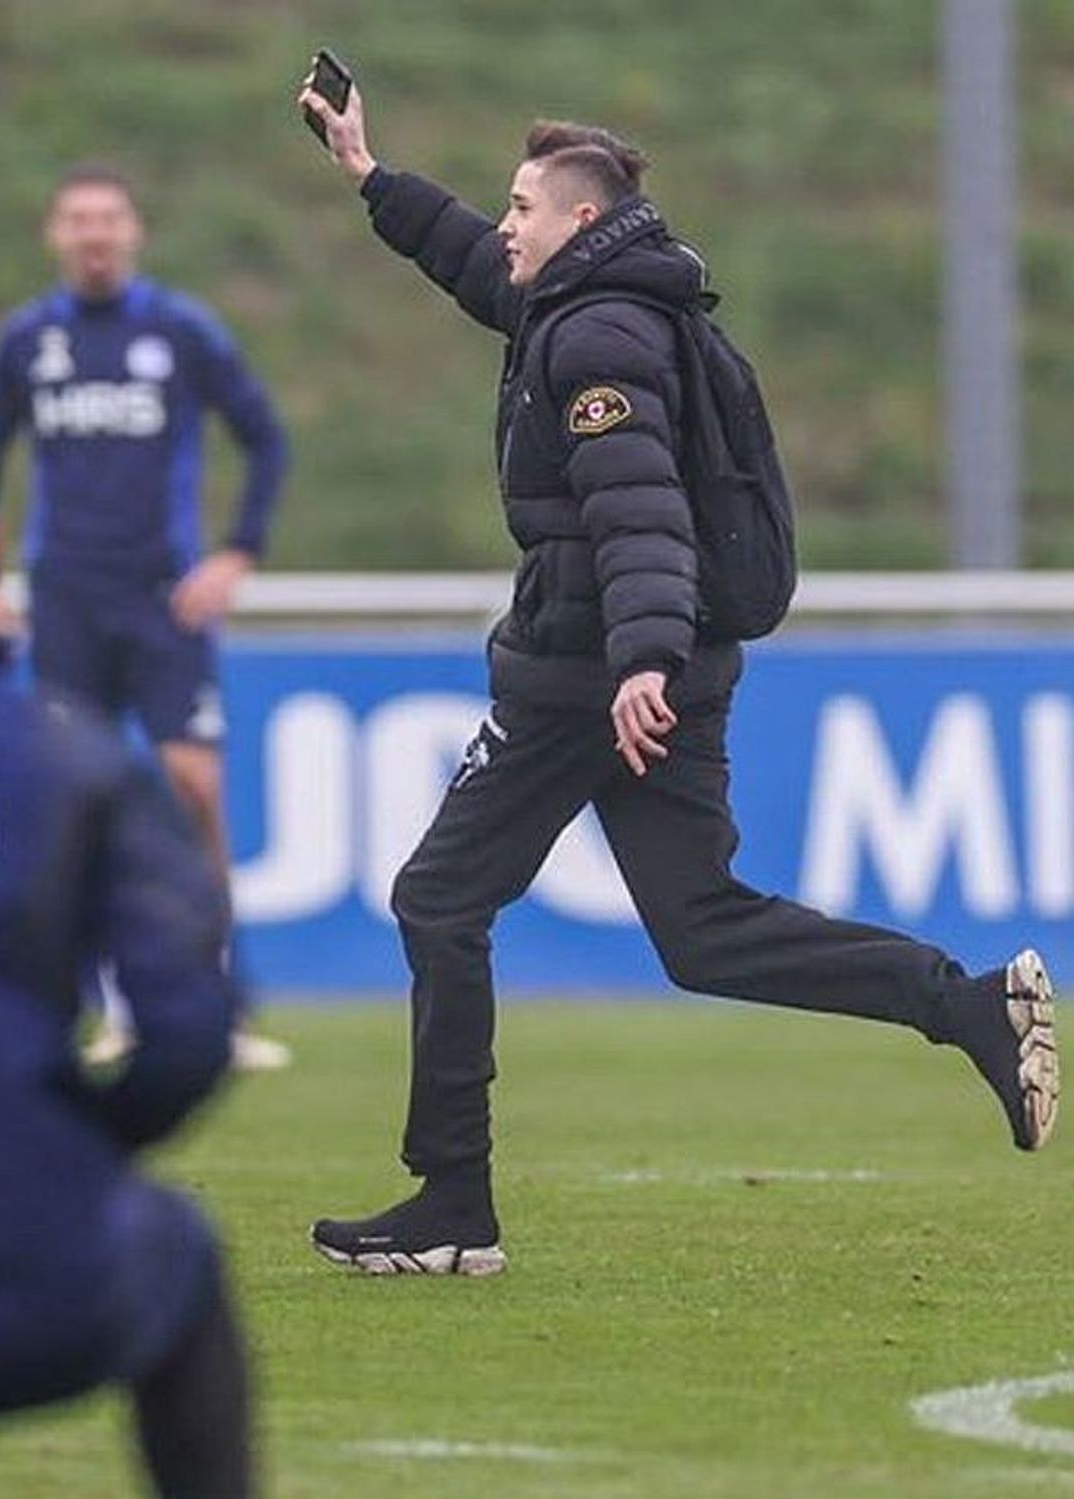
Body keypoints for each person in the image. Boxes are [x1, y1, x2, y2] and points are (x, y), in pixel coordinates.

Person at [297, 73, 1061, 1277]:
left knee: (437, 903)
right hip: (663, 669)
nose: (507, 225)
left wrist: (639, 659)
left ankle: (452, 1202)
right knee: (702, 930)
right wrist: (367, 172)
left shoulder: (596, 338)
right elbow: (477, 270)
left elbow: (637, 509)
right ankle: (965, 1002)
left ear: (584, 226)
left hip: (587, 678)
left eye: (524, 206)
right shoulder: (605, 303)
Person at [0, 396, 276, 1499]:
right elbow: (191, 1023)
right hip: (10, 1259)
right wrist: (66, 1144)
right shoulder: (60, 754)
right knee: (180, 1252)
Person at [0, 162, 290, 1071]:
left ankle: (219, 1002)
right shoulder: (29, 340)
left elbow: (263, 436)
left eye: (108, 217)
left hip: (163, 601)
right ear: (55, 235)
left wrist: (238, 553)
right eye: (77, 220)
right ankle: (107, 1006)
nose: (94, 234)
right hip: (67, 596)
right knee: (72, 801)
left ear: (134, 230)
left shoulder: (180, 331)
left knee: (194, 791)